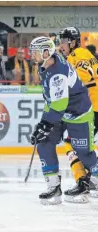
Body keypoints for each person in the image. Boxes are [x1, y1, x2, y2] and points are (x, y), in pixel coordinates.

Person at [29, 36, 98, 205]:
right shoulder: (46, 64)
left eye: (35, 51)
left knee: (83, 152)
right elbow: (51, 100)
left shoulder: (57, 73)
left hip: (79, 113)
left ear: (46, 52)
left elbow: (59, 104)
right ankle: (53, 187)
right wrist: (43, 124)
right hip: (64, 112)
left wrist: (44, 124)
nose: (31, 55)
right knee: (44, 142)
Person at [58, 27, 98, 202]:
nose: (61, 45)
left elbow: (82, 82)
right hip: (92, 106)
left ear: (72, 42)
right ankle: (85, 181)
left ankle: (84, 183)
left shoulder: (75, 57)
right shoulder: (87, 55)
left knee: (71, 144)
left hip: (91, 107)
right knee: (77, 145)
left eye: (63, 41)